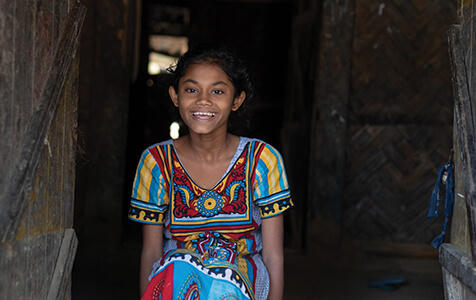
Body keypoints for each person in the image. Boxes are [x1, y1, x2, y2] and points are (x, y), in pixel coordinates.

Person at [128, 45, 293, 300]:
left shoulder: (262, 160)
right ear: (175, 96)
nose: (203, 100)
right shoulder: (156, 162)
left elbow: (273, 254)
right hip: (177, 283)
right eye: (192, 90)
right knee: (181, 271)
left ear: (237, 99)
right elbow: (151, 252)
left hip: (242, 286)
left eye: (217, 91)